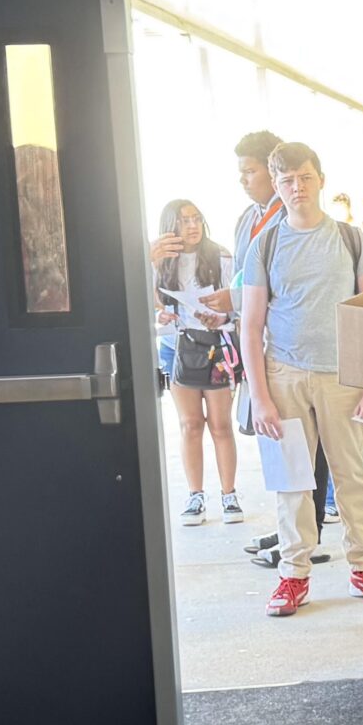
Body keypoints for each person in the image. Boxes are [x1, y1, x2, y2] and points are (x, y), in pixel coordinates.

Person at [240, 141, 363, 618]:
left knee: (350, 476)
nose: (297, 187)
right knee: (292, 482)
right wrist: (259, 397)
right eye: (287, 180)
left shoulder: (352, 238)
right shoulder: (265, 244)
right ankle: (293, 575)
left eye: (305, 177)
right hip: (284, 377)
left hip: (345, 377)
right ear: (277, 186)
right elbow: (250, 325)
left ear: (321, 179)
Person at [227, 130, 327, 570]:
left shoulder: (299, 225)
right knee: (285, 454)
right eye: (243, 173)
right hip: (267, 349)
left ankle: (312, 535)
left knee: (311, 451)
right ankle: (292, 534)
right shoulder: (250, 220)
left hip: (305, 355)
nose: (245, 180)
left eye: (251, 171)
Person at [148, 199, 237, 526]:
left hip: (214, 346)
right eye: (183, 221)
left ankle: (229, 495)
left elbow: (237, 304)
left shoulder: (221, 256)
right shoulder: (159, 261)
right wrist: (159, 309)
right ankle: (195, 495)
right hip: (175, 346)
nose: (192, 226)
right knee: (190, 425)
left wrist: (220, 316)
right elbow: (140, 303)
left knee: (220, 424)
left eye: (196, 219)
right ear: (170, 226)